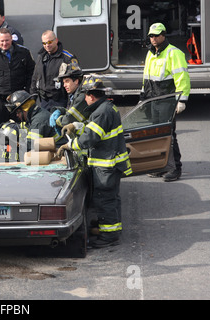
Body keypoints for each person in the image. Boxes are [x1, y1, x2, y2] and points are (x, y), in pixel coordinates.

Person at [58, 76, 132, 248]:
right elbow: (95, 130)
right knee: (112, 198)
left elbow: (90, 138)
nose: (84, 98)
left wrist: (70, 145)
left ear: (91, 95)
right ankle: (112, 229)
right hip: (111, 164)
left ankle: (109, 236)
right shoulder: (106, 108)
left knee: (104, 199)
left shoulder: (101, 112)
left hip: (106, 166)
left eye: (85, 95)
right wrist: (76, 127)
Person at [140, 22, 190, 182]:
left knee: (169, 135)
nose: (153, 38)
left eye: (156, 35)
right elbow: (146, 76)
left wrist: (181, 100)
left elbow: (182, 78)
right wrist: (142, 95)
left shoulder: (173, 53)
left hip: (166, 100)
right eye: (151, 36)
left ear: (163, 35)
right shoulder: (151, 53)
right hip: (152, 100)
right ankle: (161, 166)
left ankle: (175, 168)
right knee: (157, 135)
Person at [0, 28, 35, 125]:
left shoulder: (24, 52)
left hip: (19, 100)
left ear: (11, 39)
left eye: (7, 40)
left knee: (21, 129)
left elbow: (32, 74)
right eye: (2, 41)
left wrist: (28, 92)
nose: (4, 43)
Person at [31, 30, 79, 110]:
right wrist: (33, 97)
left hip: (61, 101)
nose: (47, 45)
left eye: (49, 42)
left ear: (56, 40)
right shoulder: (41, 57)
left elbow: (76, 81)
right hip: (43, 101)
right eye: (44, 43)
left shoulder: (67, 58)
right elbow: (35, 78)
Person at [49, 61, 90, 136]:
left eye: (67, 81)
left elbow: (69, 119)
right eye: (63, 82)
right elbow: (70, 111)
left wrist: (57, 120)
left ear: (76, 81)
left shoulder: (82, 96)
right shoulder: (74, 94)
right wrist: (60, 111)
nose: (64, 85)